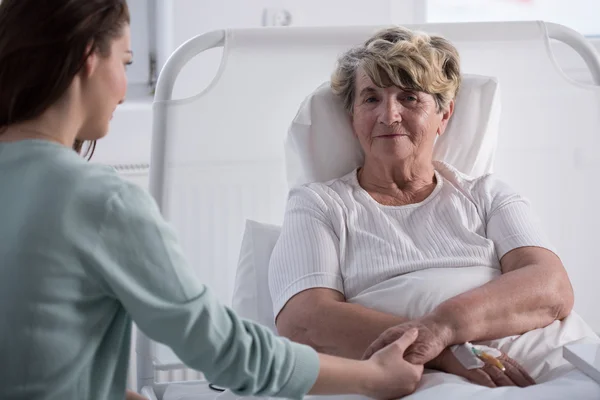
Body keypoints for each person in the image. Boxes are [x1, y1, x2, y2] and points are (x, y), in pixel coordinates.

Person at [0, 2, 425, 400]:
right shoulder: (101, 202)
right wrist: (374, 377)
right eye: (125, 62)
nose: (122, 88)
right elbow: (227, 352)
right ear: (89, 57)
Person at [269, 26, 578, 389]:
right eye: (371, 99)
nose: (389, 115)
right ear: (352, 118)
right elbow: (304, 320)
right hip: (418, 376)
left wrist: (442, 328)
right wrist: (441, 352)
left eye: (410, 97)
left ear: (443, 116)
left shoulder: (487, 195)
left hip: (540, 364)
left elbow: (552, 287)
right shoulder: (320, 205)